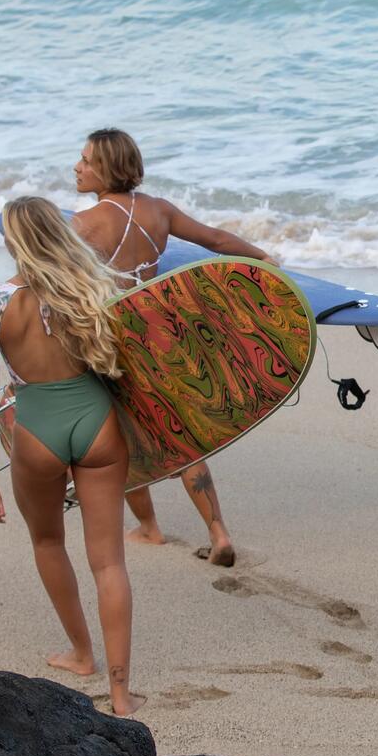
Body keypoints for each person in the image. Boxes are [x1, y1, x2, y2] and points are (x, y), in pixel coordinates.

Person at [71, 128, 272, 567]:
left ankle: (148, 528)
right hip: (161, 333)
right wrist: (263, 258)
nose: (77, 167)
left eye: (86, 160)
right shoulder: (159, 211)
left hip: (113, 340)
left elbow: (59, 284)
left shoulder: (83, 225)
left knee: (117, 434)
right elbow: (216, 241)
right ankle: (218, 533)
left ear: (107, 167)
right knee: (185, 434)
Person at [0, 197, 140, 716]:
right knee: (109, 561)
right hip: (98, 425)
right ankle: (120, 694)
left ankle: (81, 654)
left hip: (36, 430)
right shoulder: (93, 288)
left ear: (11, 242)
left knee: (47, 541)